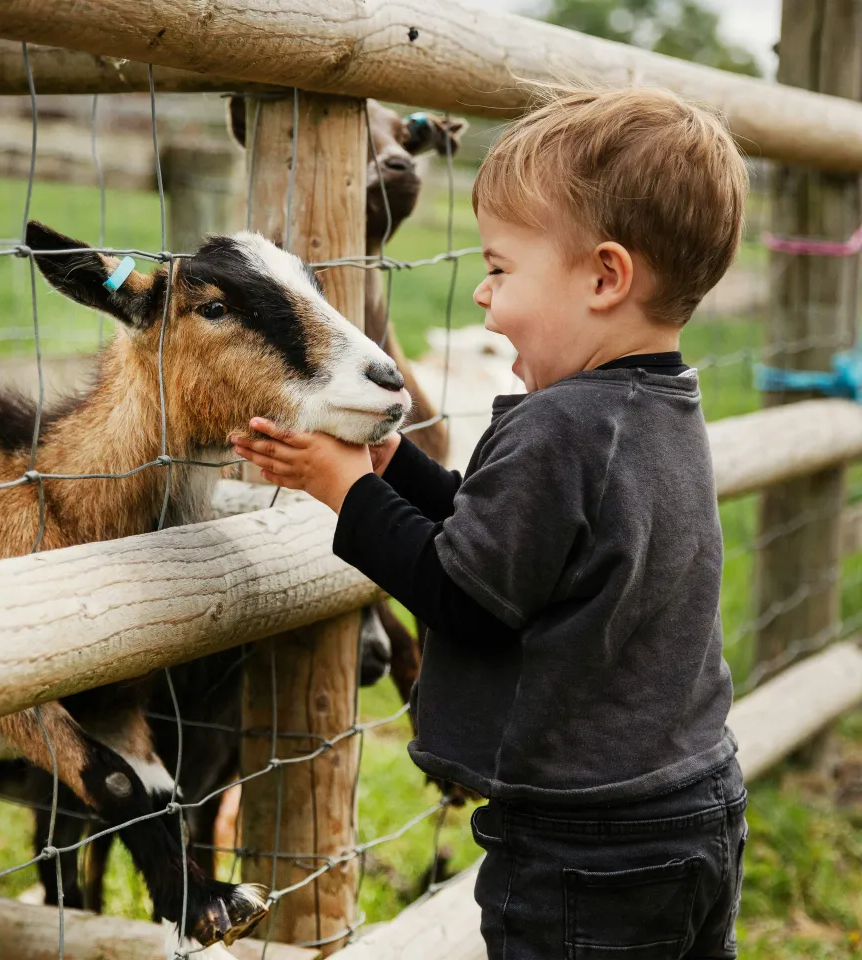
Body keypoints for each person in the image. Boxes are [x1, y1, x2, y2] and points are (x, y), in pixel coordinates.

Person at [232, 85, 749, 959]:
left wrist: (344, 487)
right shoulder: (658, 407)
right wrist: (407, 472)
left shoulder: (560, 424)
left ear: (604, 276)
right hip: (689, 805)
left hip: (585, 844)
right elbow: (530, 542)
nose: (480, 292)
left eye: (502, 269)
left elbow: (465, 592)